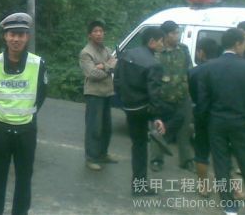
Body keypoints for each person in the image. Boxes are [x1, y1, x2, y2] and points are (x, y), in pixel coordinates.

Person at [0, 12, 47, 215]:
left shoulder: (38, 65)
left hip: (26, 132)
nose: (16, 39)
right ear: (5, 36)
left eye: (21, 34)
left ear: (27, 37)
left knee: (23, 180)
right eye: (12, 34)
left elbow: (41, 96)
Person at [197, 28, 245, 215]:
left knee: (221, 164)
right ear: (237, 44)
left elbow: (202, 102)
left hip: (217, 123)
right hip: (242, 123)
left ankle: (229, 208)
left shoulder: (208, 67)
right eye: (244, 43)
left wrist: (206, 123)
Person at [114, 27, 166, 196]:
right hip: (143, 109)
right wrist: (157, 116)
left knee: (137, 145)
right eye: (161, 41)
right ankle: (139, 185)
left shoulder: (127, 54)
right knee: (141, 147)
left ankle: (138, 184)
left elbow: (118, 81)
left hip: (129, 107)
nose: (162, 45)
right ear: (152, 41)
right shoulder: (154, 64)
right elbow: (155, 93)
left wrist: (123, 99)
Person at [149, 21, 194, 173]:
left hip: (183, 97)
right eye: (174, 33)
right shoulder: (156, 53)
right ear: (166, 35)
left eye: (177, 32)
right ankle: (156, 160)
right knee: (159, 130)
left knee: (185, 130)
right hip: (162, 99)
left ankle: (186, 160)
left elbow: (189, 71)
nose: (177, 35)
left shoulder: (183, 49)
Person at [79, 19, 118, 171]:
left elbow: (116, 63)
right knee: (94, 127)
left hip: (107, 92)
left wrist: (104, 66)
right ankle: (91, 157)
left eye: (101, 31)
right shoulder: (86, 53)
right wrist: (108, 66)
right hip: (94, 94)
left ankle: (103, 153)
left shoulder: (107, 50)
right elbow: (93, 74)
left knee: (107, 127)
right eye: (95, 31)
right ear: (90, 35)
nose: (99, 34)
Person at [188, 37, 221, 196]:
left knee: (201, 153)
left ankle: (204, 187)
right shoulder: (226, 69)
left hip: (202, 117)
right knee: (224, 154)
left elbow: (193, 95)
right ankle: (233, 189)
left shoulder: (194, 72)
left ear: (201, 52)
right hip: (223, 117)